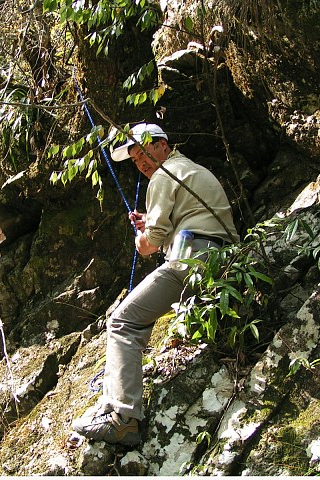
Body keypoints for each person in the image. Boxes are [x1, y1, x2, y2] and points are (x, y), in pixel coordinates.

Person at [72, 123, 240, 446]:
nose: (142, 163)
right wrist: (152, 223)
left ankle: (122, 418)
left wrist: (143, 239)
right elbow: (189, 218)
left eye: (144, 152)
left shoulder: (164, 176)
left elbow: (152, 242)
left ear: (163, 145)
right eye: (135, 160)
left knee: (121, 321)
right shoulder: (188, 170)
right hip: (221, 263)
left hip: (190, 264)